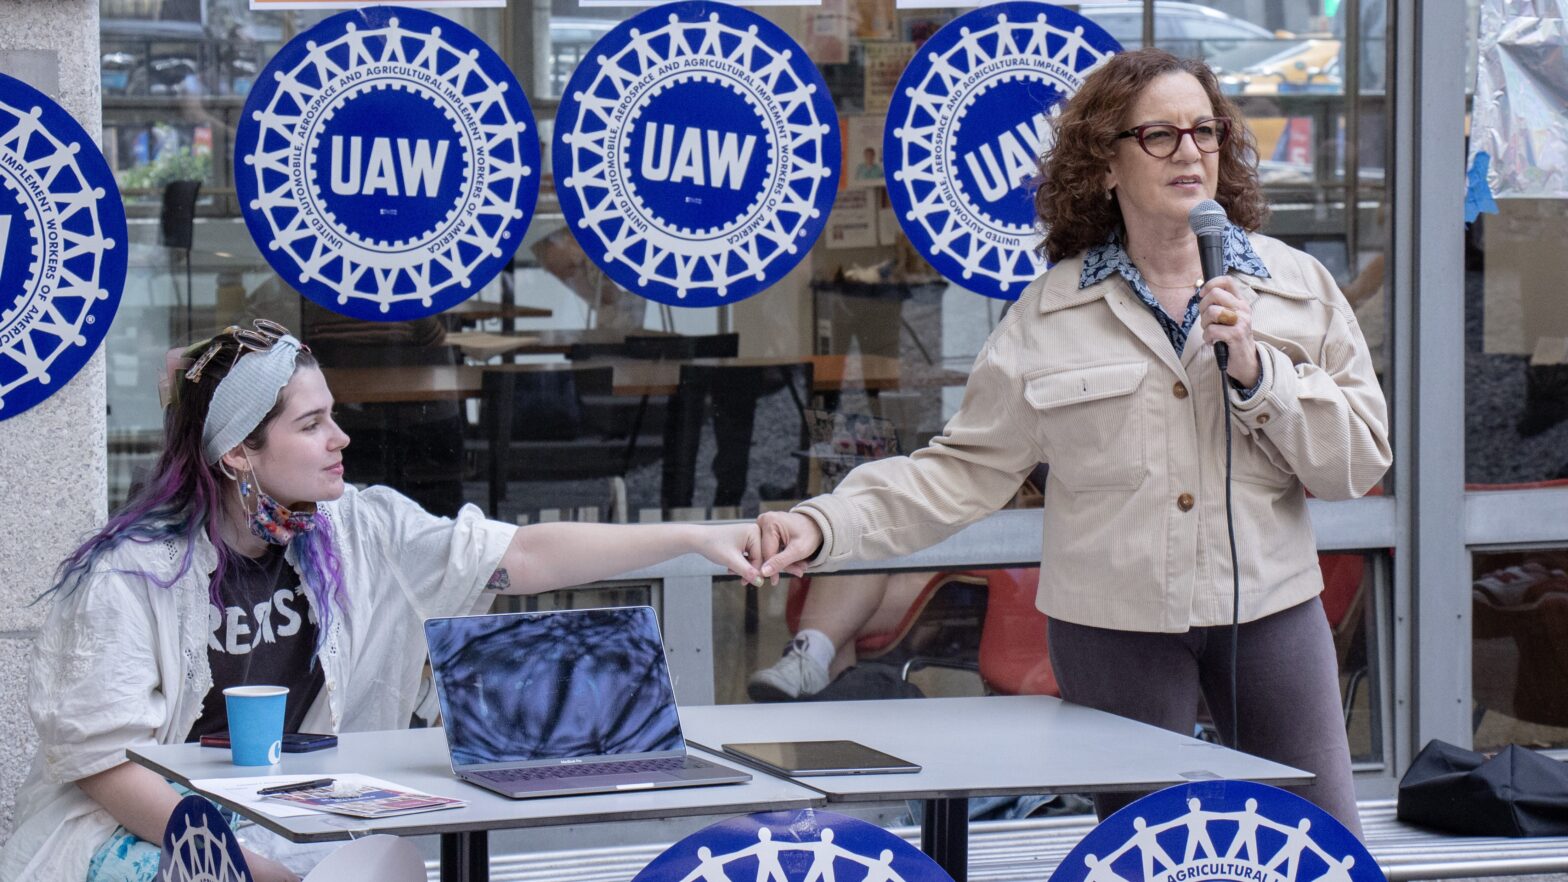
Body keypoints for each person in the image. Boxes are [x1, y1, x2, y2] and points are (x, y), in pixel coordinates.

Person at [753, 48, 1390, 835]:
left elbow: (1358, 461)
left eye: (1206, 130)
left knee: (1322, 842)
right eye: (1160, 135)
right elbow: (960, 471)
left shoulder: (1297, 288)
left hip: (1269, 612)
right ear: (1106, 162)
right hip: (1113, 625)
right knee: (1146, 849)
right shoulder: (1050, 312)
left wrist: (1263, 376)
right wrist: (825, 525)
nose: (1191, 151)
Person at [0, 321, 763, 882]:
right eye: (311, 424)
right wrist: (255, 870)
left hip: (286, 824)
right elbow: (105, 767)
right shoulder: (134, 574)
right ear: (238, 451)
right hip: (145, 841)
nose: (342, 438)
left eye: (332, 415)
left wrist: (694, 539)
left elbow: (520, 554)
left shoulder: (358, 529)